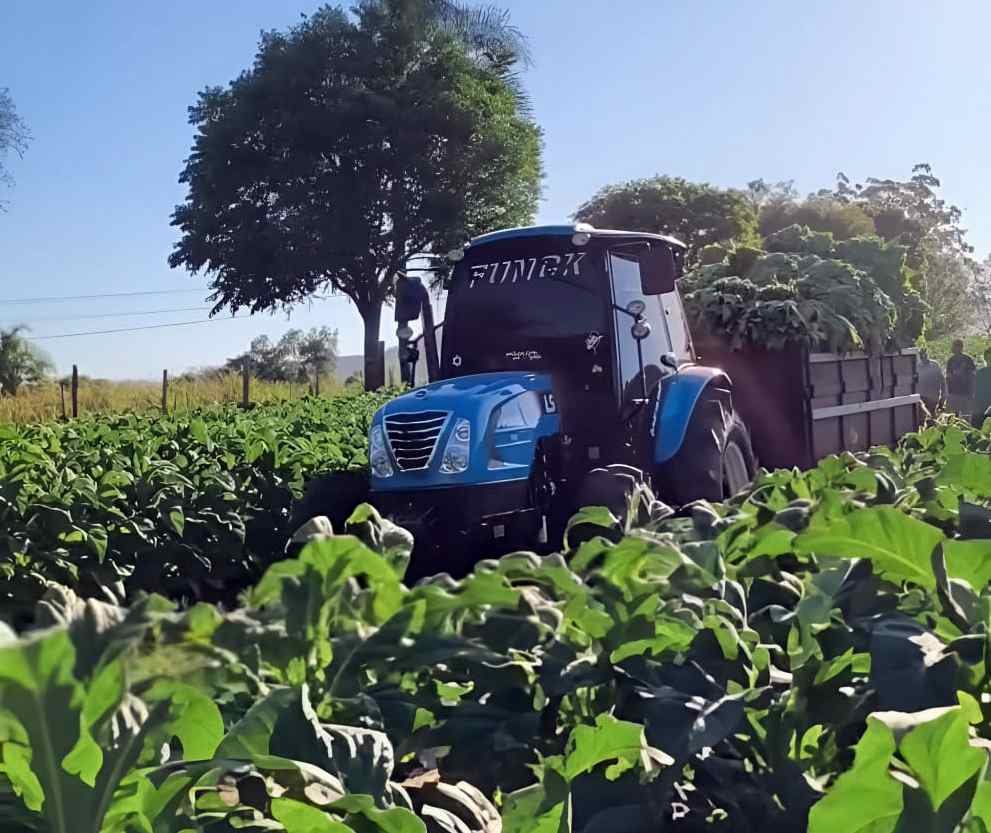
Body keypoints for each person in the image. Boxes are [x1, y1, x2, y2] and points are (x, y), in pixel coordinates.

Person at [946, 339, 977, 417]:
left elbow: (973, 376)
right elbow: (948, 377)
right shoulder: (951, 360)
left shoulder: (968, 360)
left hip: (965, 393)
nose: (953, 348)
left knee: (966, 417)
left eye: (955, 346)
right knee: (953, 418)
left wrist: (972, 392)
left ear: (960, 347)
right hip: (954, 393)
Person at [917, 348, 946, 415]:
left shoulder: (934, 365)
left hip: (933, 397)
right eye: (921, 355)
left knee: (932, 415)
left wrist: (943, 395)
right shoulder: (917, 366)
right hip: (922, 396)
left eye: (924, 354)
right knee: (922, 417)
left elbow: (942, 381)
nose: (923, 356)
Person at [972, 347, 991, 427]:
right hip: (981, 411)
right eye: (989, 358)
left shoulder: (979, 373)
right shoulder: (980, 374)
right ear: (985, 359)